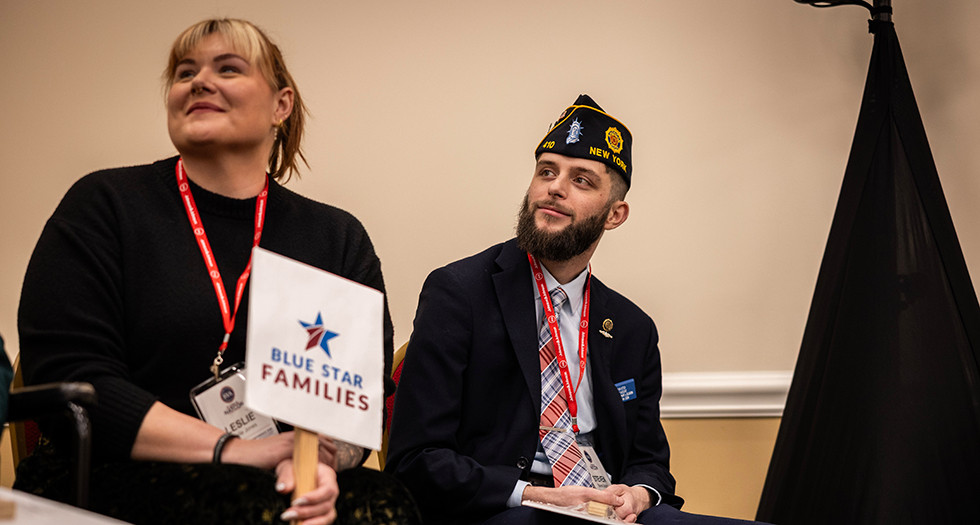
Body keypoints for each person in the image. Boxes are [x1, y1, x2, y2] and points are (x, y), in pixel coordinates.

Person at [16, 18, 418, 525]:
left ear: (281, 105)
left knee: (385, 507)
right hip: (113, 473)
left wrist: (319, 467)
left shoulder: (336, 238)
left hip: (280, 476)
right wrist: (235, 449)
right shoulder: (104, 207)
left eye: (228, 68)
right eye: (185, 72)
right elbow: (73, 382)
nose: (199, 81)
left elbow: (357, 407)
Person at [385, 95, 770, 524]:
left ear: (615, 214)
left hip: (604, 511)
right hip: (501, 510)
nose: (555, 187)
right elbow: (416, 459)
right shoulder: (458, 293)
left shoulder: (632, 328)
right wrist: (533, 495)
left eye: (582, 180)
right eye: (546, 172)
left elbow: (651, 463)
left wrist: (639, 495)